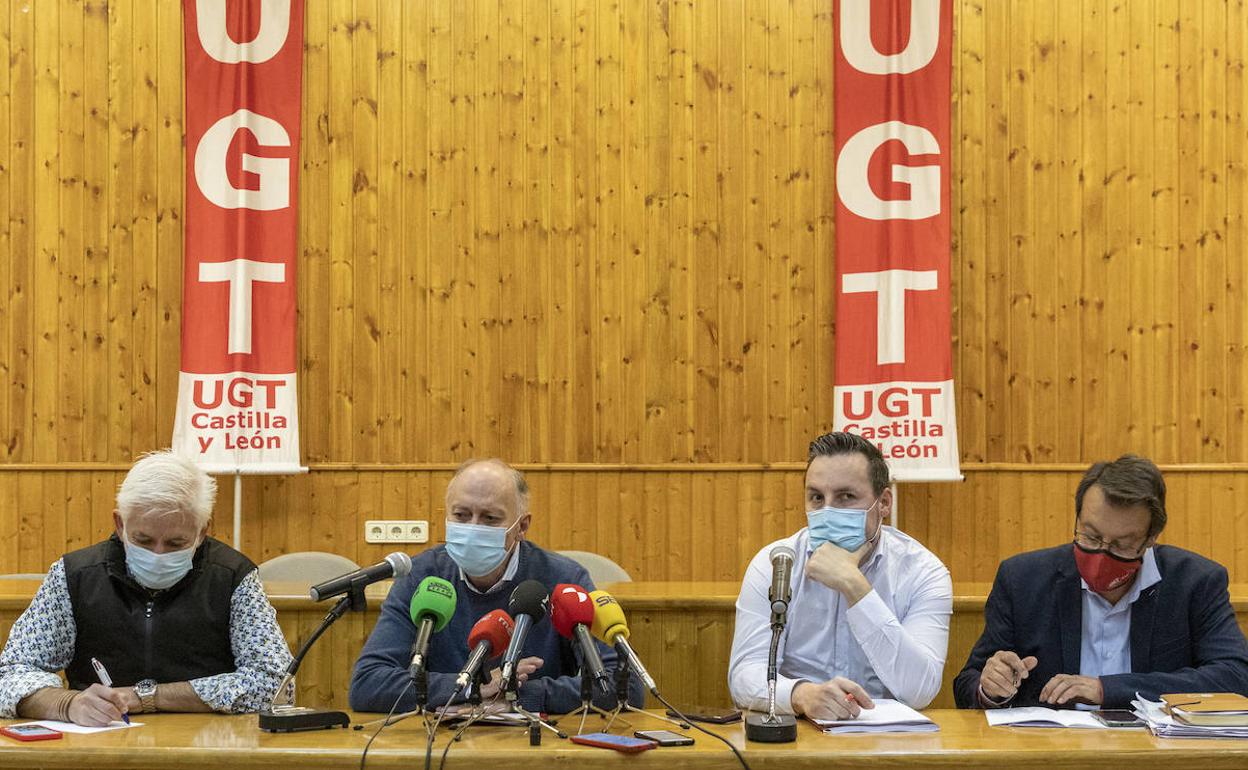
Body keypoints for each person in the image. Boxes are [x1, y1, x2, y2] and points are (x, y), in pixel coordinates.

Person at [0, 450, 293, 726]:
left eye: (176, 543)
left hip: (209, 749)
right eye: (143, 540)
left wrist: (146, 697)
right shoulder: (74, 575)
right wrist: (67, 704)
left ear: (202, 531)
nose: (159, 553)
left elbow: (276, 683)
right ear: (120, 524)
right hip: (98, 745)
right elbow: (10, 674)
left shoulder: (233, 576)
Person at [349, 458, 644, 714]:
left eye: (490, 518)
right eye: (461, 515)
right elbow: (368, 683)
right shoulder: (422, 578)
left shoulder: (564, 580)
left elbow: (626, 686)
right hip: (442, 742)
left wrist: (524, 695)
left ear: (521, 526)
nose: (473, 527)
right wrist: (473, 686)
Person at [955, 455, 1248, 709]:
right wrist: (990, 688)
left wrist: (1107, 689)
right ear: (1078, 517)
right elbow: (968, 683)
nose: (1101, 553)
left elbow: (1235, 677)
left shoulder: (1195, 582)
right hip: (1052, 752)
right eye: (1091, 535)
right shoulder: (1022, 579)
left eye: (1121, 544)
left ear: (1150, 539)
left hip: (1154, 752)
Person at [728, 431, 953, 719]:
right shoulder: (776, 563)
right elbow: (744, 676)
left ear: (884, 502)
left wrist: (854, 586)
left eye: (846, 497)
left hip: (887, 743)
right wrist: (800, 695)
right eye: (816, 497)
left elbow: (919, 689)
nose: (828, 511)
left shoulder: (923, 571)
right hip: (799, 734)